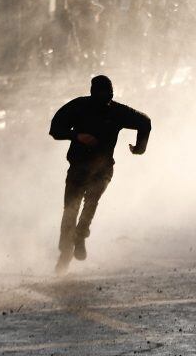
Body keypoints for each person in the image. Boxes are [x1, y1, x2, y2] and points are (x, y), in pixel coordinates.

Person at [49, 75, 151, 274]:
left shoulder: (117, 111)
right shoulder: (78, 107)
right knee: (71, 208)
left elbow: (145, 122)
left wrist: (140, 148)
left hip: (103, 169)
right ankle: (66, 251)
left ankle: (79, 235)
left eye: (108, 93)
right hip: (78, 167)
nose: (105, 98)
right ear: (92, 92)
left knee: (90, 201)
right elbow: (55, 129)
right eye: (102, 93)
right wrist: (77, 135)